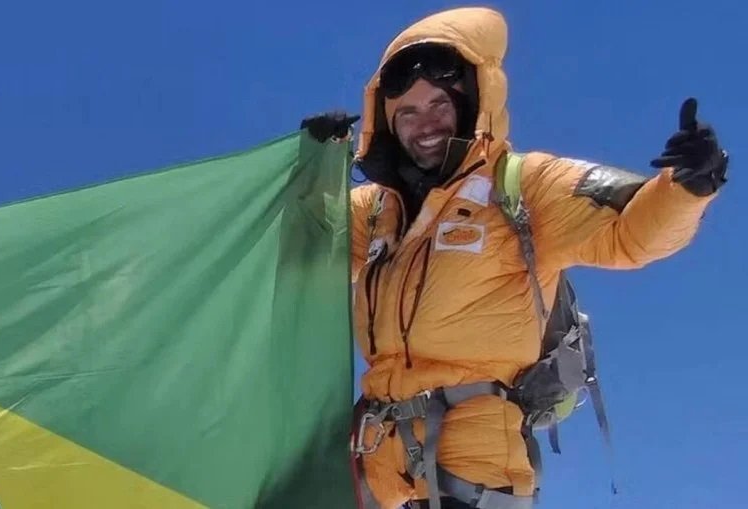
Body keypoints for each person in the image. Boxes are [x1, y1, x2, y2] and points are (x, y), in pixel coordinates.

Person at [301, 6, 728, 509]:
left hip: (476, 448)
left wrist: (689, 187)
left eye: (439, 105)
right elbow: (297, 246)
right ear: (387, 121)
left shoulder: (525, 186)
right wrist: (310, 166)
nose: (425, 125)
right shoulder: (375, 211)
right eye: (408, 113)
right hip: (376, 442)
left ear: (473, 103)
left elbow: (630, 233)